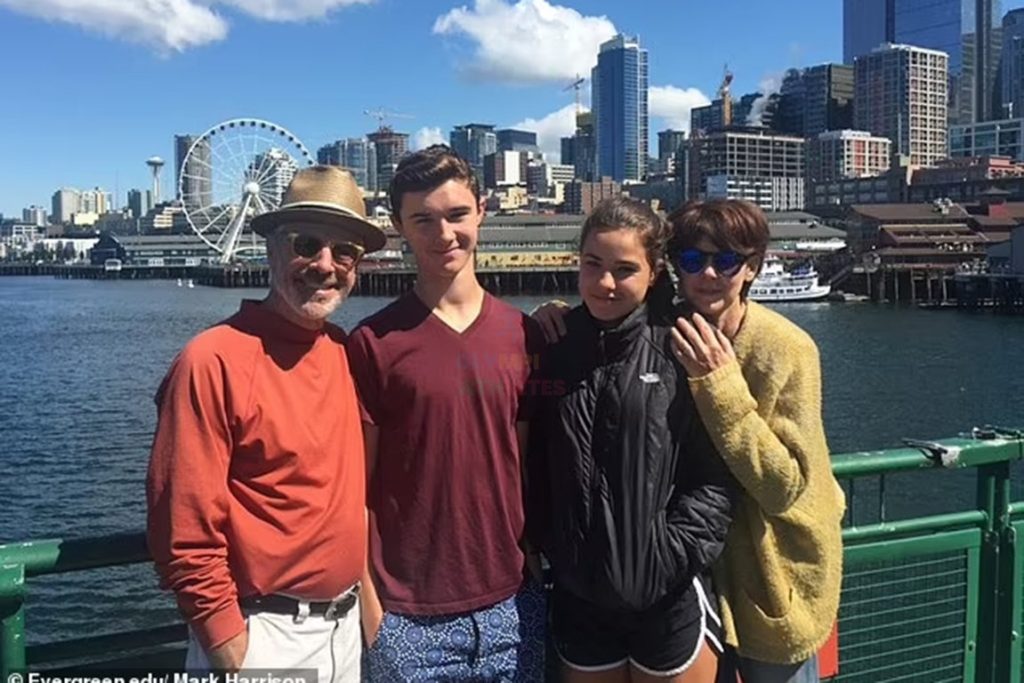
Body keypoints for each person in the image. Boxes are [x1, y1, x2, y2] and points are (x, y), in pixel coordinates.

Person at [146, 166, 386, 679]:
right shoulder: (210, 361)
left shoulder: (346, 353)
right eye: (307, 243)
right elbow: (181, 526)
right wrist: (229, 645)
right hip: (263, 637)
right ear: (271, 248)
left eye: (345, 252)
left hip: (344, 632)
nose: (326, 265)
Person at [345, 145, 546, 682]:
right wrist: (372, 614)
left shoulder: (522, 333)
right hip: (407, 618)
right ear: (398, 227)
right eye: (423, 220)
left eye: (457, 215)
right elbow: (354, 490)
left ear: (481, 210)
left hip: (512, 608)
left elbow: (522, 465)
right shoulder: (372, 342)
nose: (443, 234)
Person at [527, 197, 734, 683]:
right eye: (592, 265)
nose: (604, 283)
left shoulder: (683, 345)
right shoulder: (552, 347)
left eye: (624, 270)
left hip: (665, 599)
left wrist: (670, 555)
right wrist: (549, 544)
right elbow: (532, 459)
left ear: (654, 273)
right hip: (579, 597)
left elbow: (717, 470)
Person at [665, 199, 844, 683]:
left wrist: (719, 385)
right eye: (691, 260)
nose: (707, 274)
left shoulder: (787, 349)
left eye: (725, 261)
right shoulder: (666, 330)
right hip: (690, 567)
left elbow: (783, 485)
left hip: (773, 570)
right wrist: (558, 317)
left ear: (752, 269)